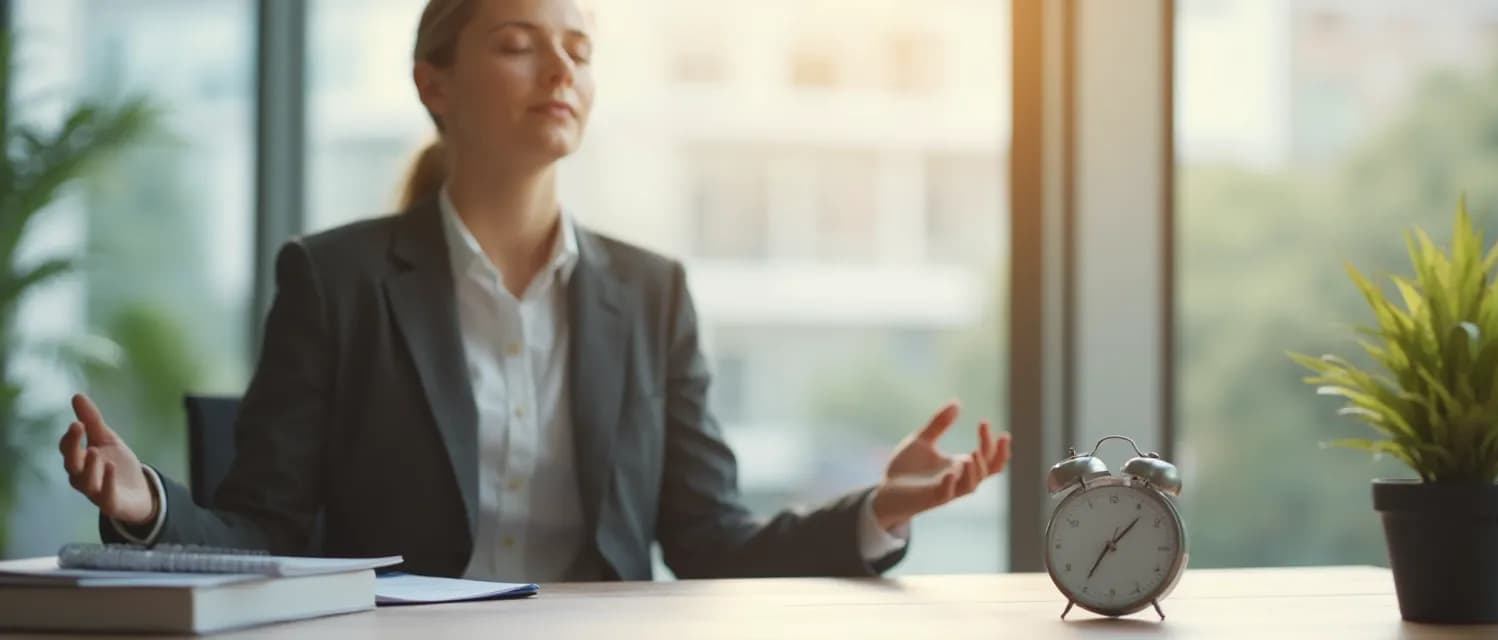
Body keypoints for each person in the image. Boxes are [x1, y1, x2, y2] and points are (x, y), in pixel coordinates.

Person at [56, 0, 1010, 582]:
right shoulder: (334, 279)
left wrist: (876, 512)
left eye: (580, 50)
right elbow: (262, 527)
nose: (561, 70)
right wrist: (146, 505)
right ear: (436, 82)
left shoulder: (652, 294)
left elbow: (709, 538)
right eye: (519, 43)